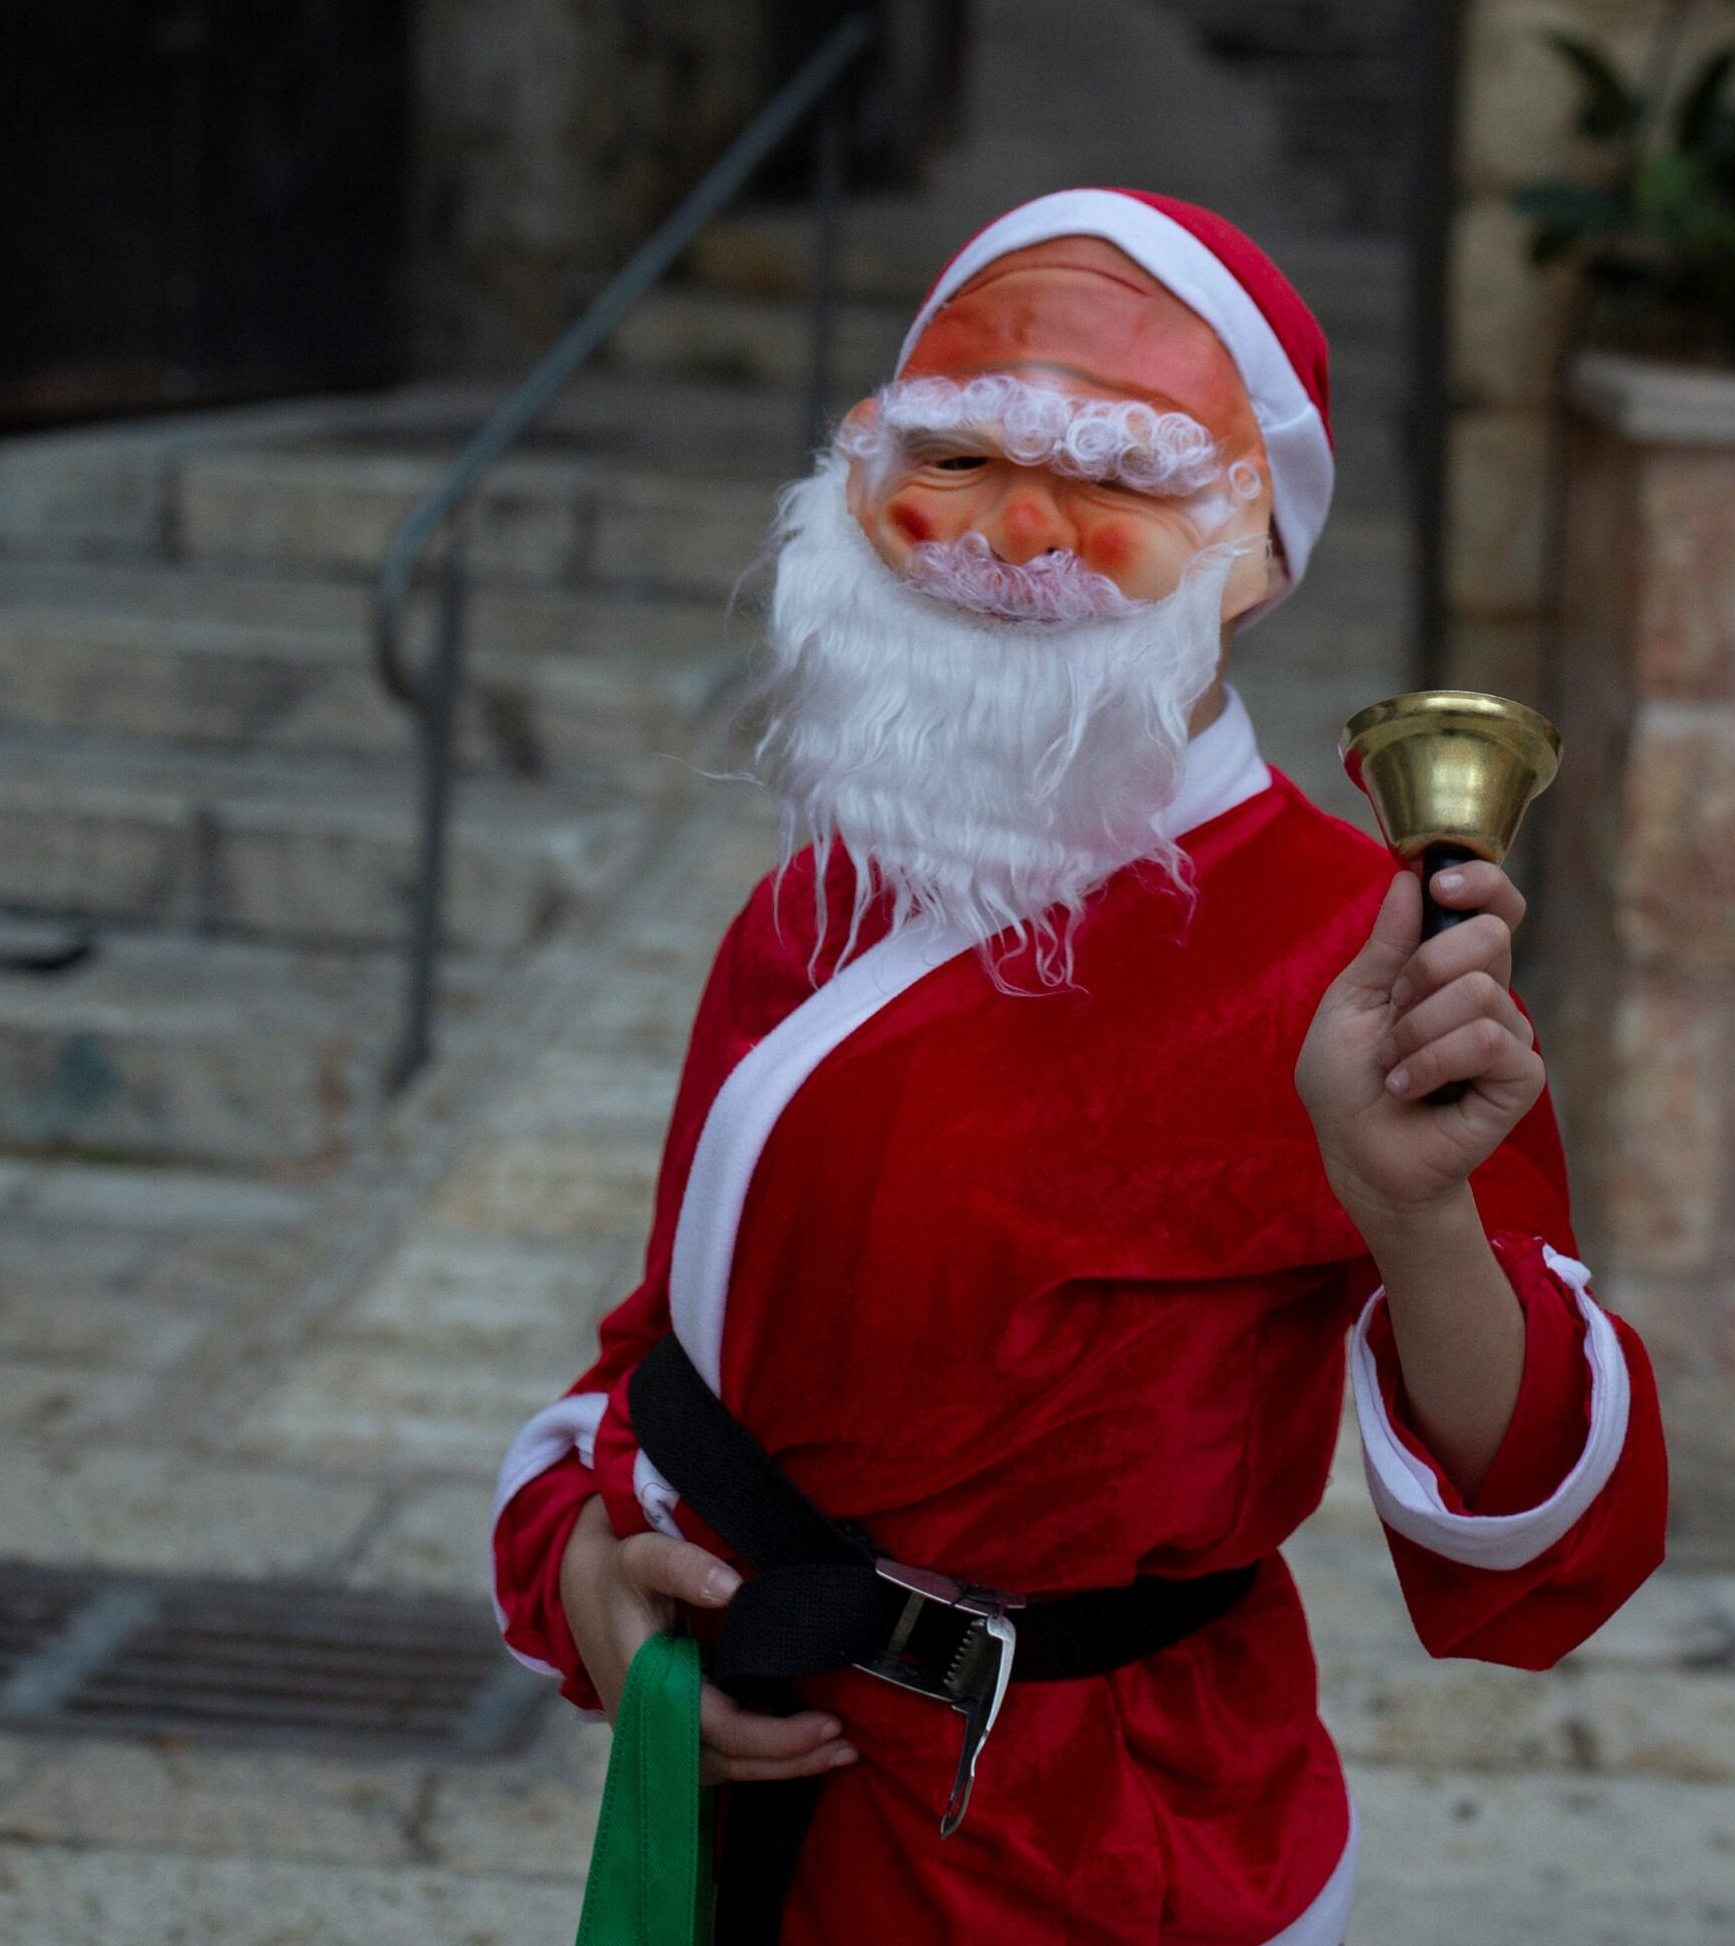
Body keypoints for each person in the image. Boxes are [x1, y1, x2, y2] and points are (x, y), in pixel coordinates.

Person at [488, 187, 1667, 1942]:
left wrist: (1416, 1218)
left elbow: (1551, 1527)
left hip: (1098, 1851)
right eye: (954, 458)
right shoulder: (822, 894)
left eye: (1114, 480)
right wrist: (594, 1575)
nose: (1017, 531)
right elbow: (670, 1343)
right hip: (758, 1797)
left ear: (1256, 553)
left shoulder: (1345, 949)